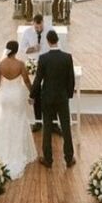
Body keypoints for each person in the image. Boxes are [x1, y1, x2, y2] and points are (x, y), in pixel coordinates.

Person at [0, 39, 37, 179]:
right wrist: (33, 93)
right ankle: (17, 150)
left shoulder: (0, 64)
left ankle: (1, 150)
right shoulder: (20, 64)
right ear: (16, 50)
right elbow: (26, 81)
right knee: (19, 120)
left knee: (5, 119)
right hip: (16, 95)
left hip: (5, 95)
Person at [31, 29, 76, 168]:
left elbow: (38, 80)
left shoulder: (43, 58)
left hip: (47, 97)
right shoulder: (67, 57)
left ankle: (48, 159)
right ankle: (69, 158)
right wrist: (68, 95)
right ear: (58, 40)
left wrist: (32, 95)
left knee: (47, 128)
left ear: (48, 41)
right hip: (62, 97)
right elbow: (71, 80)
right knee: (66, 127)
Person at [19, 13, 54, 133]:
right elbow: (23, 49)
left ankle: (53, 123)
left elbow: (55, 45)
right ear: (33, 23)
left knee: (50, 94)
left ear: (43, 22)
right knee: (36, 94)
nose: (39, 29)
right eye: (36, 27)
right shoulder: (27, 32)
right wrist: (33, 48)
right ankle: (38, 121)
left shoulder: (50, 30)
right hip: (34, 66)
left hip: (48, 65)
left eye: (40, 27)